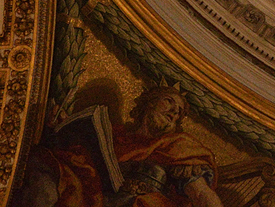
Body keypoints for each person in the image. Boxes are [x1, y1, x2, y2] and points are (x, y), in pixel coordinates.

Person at [18, 84, 223, 207]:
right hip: (97, 197)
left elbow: (201, 194)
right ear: (149, 102)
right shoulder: (114, 135)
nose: (174, 112)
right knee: (49, 174)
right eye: (169, 101)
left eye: (179, 112)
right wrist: (62, 126)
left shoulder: (177, 147)